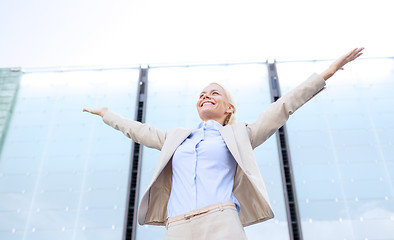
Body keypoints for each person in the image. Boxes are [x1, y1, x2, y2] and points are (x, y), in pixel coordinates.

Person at [83, 48, 364, 240]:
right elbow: (137, 130)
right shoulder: (175, 138)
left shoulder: (241, 134)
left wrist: (327, 72)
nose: (206, 96)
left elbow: (283, 106)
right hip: (178, 227)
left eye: (214, 93)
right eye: (202, 94)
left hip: (221, 222)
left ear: (229, 107)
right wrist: (108, 115)